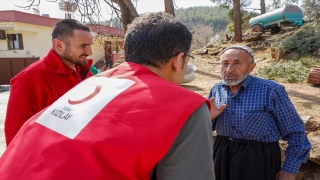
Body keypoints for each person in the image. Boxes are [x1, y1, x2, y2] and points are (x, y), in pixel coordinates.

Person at [0, 12, 224, 180]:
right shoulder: (185, 105)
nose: (88, 52)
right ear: (179, 60)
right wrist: (190, 118)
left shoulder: (96, 81)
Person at [208, 45, 311, 180]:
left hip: (258, 159)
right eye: (225, 63)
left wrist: (289, 170)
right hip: (222, 154)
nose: (229, 69)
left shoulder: (271, 90)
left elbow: (295, 132)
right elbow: (205, 128)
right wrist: (208, 118)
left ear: (251, 67)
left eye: (237, 63)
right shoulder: (216, 89)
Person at [4, 18, 94, 146]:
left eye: (90, 45)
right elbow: (16, 136)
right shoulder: (30, 79)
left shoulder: (84, 71)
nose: (89, 52)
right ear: (59, 45)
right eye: (83, 46)